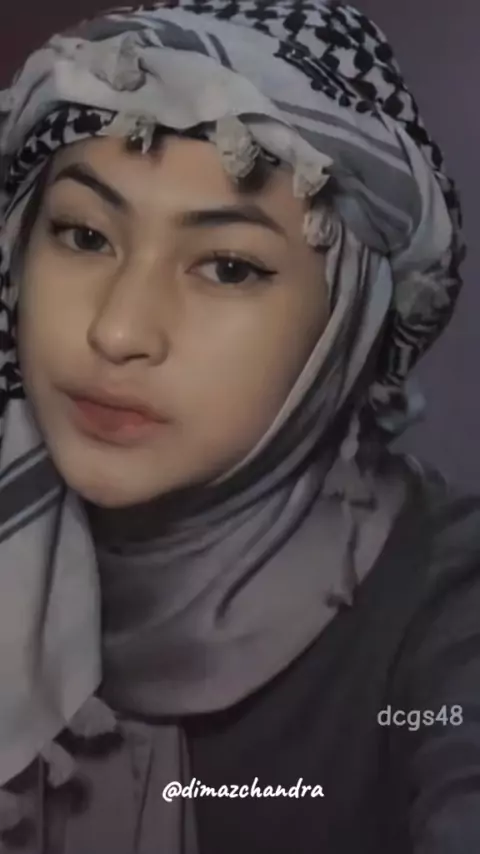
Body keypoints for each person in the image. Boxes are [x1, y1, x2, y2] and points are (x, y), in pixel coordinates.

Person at [0, 1, 478, 852]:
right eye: (83, 234)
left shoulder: (448, 611)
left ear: (349, 323)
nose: (118, 331)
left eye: (228, 267)